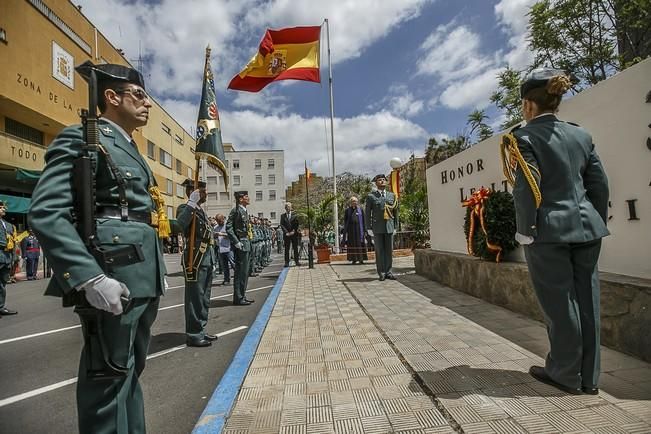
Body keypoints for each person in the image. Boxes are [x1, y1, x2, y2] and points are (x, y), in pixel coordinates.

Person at [28, 62, 167, 433]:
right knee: (106, 382)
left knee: (129, 373)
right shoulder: (83, 138)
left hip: (140, 274)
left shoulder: (129, 146)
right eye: (138, 95)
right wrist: (89, 277)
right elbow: (46, 212)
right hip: (112, 271)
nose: (147, 104)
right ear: (111, 97)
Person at [503, 68, 609, 395]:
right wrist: (593, 219)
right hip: (587, 228)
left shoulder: (524, 137)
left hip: (547, 232)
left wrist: (526, 230)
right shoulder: (581, 135)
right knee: (588, 302)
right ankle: (588, 378)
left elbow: (528, 188)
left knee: (560, 305)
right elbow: (599, 185)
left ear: (528, 105)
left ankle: (564, 372)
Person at [177, 178, 217, 348]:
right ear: (193, 192)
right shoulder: (186, 208)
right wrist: (191, 203)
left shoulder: (200, 210)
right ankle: (193, 334)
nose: (206, 193)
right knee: (195, 297)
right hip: (195, 259)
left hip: (206, 257)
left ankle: (200, 328)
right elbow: (180, 225)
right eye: (203, 191)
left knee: (204, 297)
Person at [366, 174, 399, 281]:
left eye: (384, 180)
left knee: (389, 250)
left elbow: (396, 212)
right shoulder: (371, 196)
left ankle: (389, 271)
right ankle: (381, 272)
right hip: (377, 227)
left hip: (389, 226)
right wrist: (369, 228)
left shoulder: (392, 196)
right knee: (379, 251)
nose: (382, 181)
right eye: (379, 180)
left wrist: (395, 226)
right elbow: (367, 213)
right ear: (376, 183)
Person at [226, 191, 255, 305]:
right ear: (241, 199)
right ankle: (238, 297)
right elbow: (229, 227)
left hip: (246, 243)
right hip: (241, 244)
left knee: (245, 272)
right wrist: (236, 241)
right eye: (246, 196)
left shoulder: (244, 211)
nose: (248, 198)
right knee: (240, 272)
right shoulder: (236, 210)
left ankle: (242, 295)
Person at [0, 201, 18, 315]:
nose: (3, 209)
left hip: (6, 257)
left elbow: (14, 242)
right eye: (0, 207)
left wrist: (13, 258)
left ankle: (1, 307)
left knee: (2, 283)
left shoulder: (9, 225)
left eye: (3, 207)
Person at [343, 196, 368, 265]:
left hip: (359, 230)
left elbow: (364, 221)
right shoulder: (347, 211)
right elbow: (345, 221)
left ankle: (361, 259)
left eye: (355, 201)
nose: (354, 202)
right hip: (351, 231)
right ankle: (353, 259)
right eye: (353, 201)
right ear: (351, 202)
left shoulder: (361, 210)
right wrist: (345, 231)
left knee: (360, 244)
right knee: (352, 245)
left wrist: (365, 230)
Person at [213, 213, 233, 285]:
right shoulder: (215, 227)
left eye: (220, 221)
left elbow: (232, 235)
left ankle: (238, 278)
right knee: (224, 266)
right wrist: (215, 235)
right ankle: (226, 279)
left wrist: (222, 234)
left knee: (233, 264)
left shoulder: (227, 226)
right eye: (218, 221)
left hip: (228, 248)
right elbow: (213, 236)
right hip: (220, 249)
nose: (219, 222)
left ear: (223, 219)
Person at [280, 202, 300, 267]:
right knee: (286, 249)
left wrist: (293, 231)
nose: (288, 208)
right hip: (287, 235)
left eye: (289, 207)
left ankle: (297, 261)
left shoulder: (295, 215)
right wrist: (286, 232)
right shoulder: (283, 216)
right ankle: (286, 262)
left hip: (294, 234)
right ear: (285, 208)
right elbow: (282, 225)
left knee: (295, 248)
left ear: (291, 208)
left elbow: (297, 224)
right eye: (286, 207)